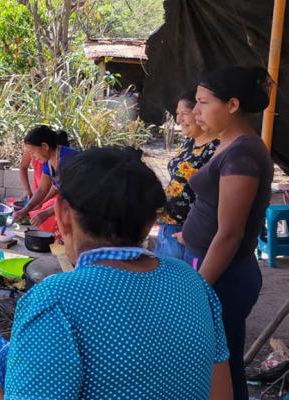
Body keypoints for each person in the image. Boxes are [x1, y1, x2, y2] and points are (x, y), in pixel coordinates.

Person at [0, 147, 233, 399]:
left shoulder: (55, 301)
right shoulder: (191, 281)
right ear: (149, 223)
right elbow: (221, 394)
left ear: (63, 214)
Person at [179, 65, 273, 400]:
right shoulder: (227, 144)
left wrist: (199, 287)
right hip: (212, 265)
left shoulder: (243, 153)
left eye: (203, 102)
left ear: (232, 105)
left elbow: (230, 232)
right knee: (213, 360)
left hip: (226, 276)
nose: (196, 110)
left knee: (223, 364)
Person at [155, 91, 219, 259]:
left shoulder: (217, 149)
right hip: (167, 225)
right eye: (177, 114)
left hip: (187, 231)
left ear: (199, 114)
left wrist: (193, 234)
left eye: (184, 114)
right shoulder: (189, 142)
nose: (179, 120)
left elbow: (217, 198)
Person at [13, 125, 77, 232]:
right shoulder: (48, 162)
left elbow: (74, 198)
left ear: (44, 146)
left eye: (33, 153)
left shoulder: (67, 159)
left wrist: (46, 213)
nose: (32, 157)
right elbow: (42, 189)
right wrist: (25, 210)